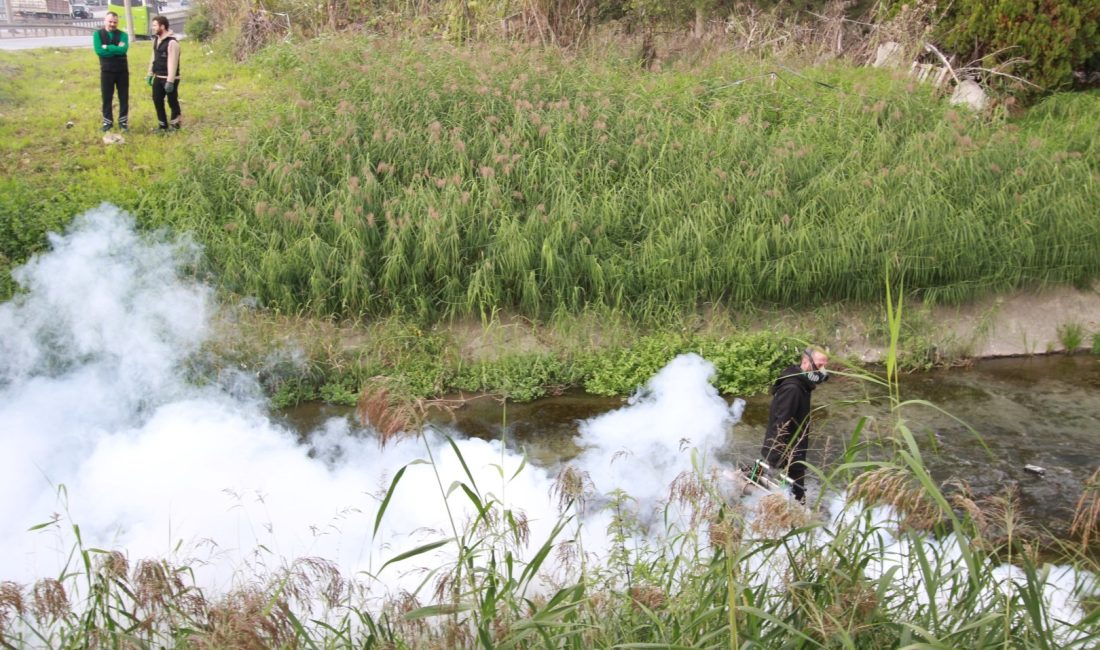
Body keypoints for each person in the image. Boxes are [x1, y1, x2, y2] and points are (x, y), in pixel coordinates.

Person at [758, 347, 830, 502]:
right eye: (819, 365)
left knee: (793, 495)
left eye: (824, 366)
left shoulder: (802, 384)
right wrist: (775, 459)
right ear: (805, 362)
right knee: (795, 498)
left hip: (794, 451)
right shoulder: (793, 388)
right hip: (785, 454)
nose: (822, 370)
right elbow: (781, 422)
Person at [93, 12, 129, 133]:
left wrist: (107, 47)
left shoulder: (123, 35)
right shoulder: (97, 34)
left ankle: (123, 122)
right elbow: (99, 51)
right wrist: (115, 49)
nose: (113, 24)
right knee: (107, 97)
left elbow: (123, 49)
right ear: (105, 20)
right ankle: (107, 122)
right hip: (106, 71)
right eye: (110, 21)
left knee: (123, 97)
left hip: (122, 71)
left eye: (115, 22)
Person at [146, 15, 181, 132]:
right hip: (158, 77)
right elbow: (153, 57)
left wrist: (170, 81)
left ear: (162, 26)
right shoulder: (156, 40)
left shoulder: (172, 42)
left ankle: (176, 125)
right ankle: (163, 126)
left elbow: (173, 62)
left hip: (170, 78)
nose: (153, 28)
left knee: (172, 101)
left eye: (155, 25)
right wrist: (150, 73)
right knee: (157, 100)